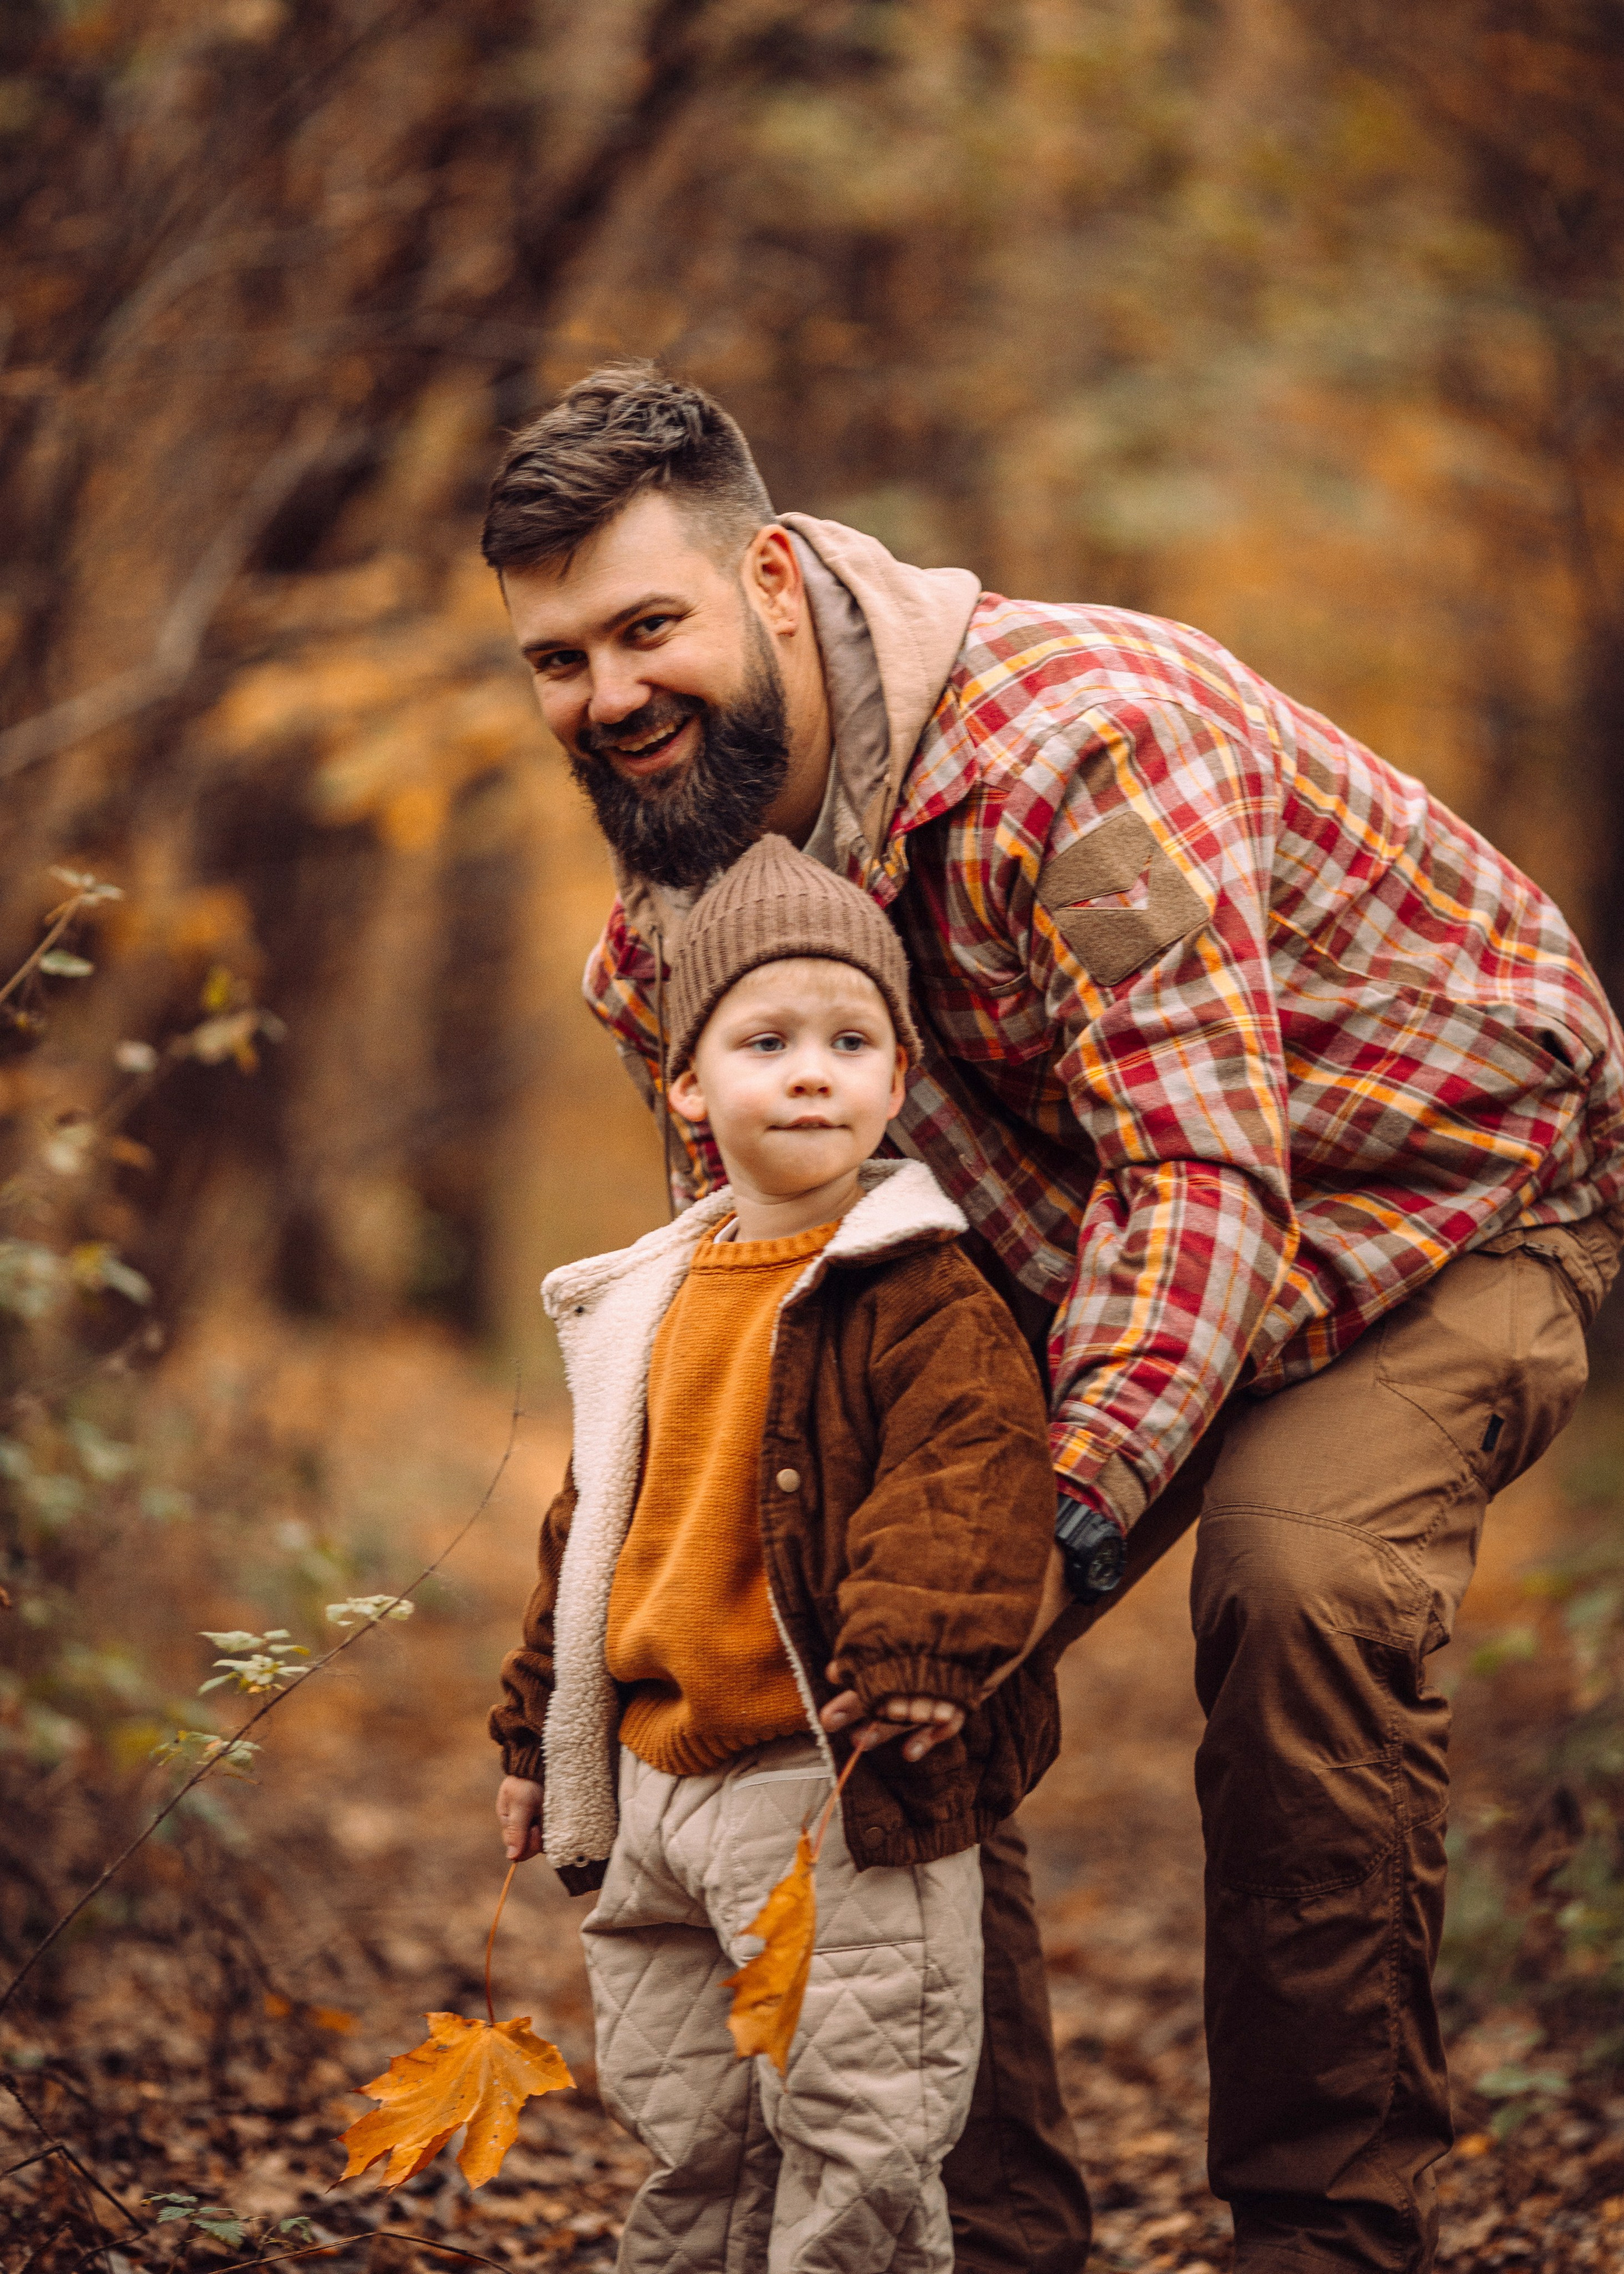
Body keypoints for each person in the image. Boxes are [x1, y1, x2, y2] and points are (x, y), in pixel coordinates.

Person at [481, 363, 1624, 2274]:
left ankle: (1322, 2229)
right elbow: (767, 1322)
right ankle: (989, 2234)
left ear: (771, 579)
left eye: (646, 627)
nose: (608, 696)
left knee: (1296, 1582)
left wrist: (1049, 1525)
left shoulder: (1080, 745)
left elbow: (1197, 1179)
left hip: (1434, 1203)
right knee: (858, 1605)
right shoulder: (670, 931)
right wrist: (615, 1661)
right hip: (1087, 1240)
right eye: (557, 660)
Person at [490, 834, 1065, 2274]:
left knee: (859, 2125)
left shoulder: (922, 1292)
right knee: (690, 2131)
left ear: (897, 1077)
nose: (812, 1073)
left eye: (849, 1042)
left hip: (830, 1783)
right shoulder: (648, 1298)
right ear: (688, 1084)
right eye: (767, 1042)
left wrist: (918, 1651)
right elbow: (591, 1533)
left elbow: (969, 1478)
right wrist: (531, 1734)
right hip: (659, 1785)